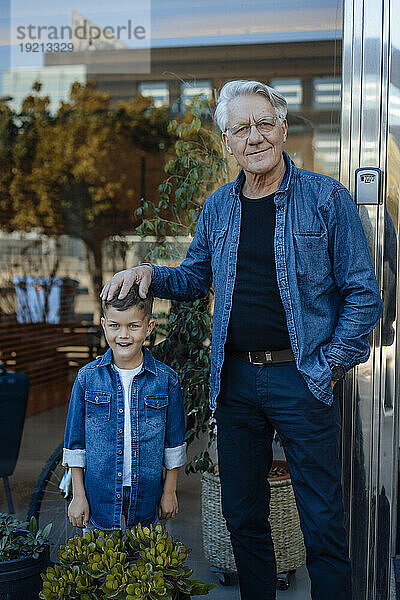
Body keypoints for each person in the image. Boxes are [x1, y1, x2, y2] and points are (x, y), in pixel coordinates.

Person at [100, 80, 383, 599]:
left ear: (281, 130)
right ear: (226, 142)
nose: (254, 137)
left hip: (303, 378)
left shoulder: (327, 200)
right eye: (240, 128)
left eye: (263, 124)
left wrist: (327, 367)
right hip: (235, 384)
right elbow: (192, 278)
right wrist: (146, 274)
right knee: (243, 516)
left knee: (322, 520)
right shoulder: (219, 208)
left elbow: (364, 296)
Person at [62, 283, 187, 532]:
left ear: (149, 327)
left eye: (133, 326)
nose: (123, 335)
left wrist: (169, 492)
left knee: (144, 565)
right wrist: (78, 495)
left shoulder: (167, 380)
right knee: (100, 564)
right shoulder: (87, 379)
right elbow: (75, 443)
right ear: (104, 324)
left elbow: (174, 444)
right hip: (99, 495)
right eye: (115, 326)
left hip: (147, 496)